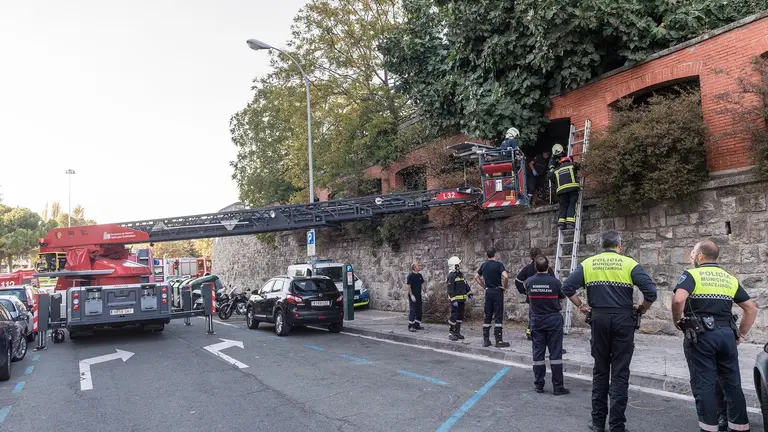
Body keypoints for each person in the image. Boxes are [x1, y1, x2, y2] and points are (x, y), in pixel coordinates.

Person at [562, 230, 657, 432]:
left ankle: (597, 423)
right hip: (623, 320)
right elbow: (651, 292)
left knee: (600, 370)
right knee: (620, 373)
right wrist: (641, 309)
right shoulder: (629, 264)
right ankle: (617, 426)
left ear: (602, 245)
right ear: (619, 245)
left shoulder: (589, 264)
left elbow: (567, 287)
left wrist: (582, 306)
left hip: (599, 319)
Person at [672, 240, 756, 432]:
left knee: (704, 383)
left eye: (693, 252)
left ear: (701, 256)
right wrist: (741, 333)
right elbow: (751, 308)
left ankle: (710, 428)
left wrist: (677, 321)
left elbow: (678, 300)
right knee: (732, 383)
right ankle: (740, 427)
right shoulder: (729, 278)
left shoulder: (692, 275)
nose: (691, 256)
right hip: (727, 336)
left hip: (701, 336)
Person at [527, 255, 569, 395]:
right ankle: (558, 387)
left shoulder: (529, 282)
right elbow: (562, 295)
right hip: (553, 321)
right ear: (548, 266)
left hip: (537, 321)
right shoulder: (555, 282)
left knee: (538, 354)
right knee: (555, 354)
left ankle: (539, 385)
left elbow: (528, 297)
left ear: (535, 267)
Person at [515, 247, 555, 341]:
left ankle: (531, 331)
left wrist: (525, 291)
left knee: (533, 314)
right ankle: (541, 331)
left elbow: (518, 281)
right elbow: (553, 281)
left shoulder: (527, 268)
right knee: (545, 314)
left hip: (533, 296)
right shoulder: (546, 268)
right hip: (546, 295)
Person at [474, 247, 511, 348]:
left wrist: (484, 286)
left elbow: (476, 277)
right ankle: (498, 340)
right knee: (498, 315)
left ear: (487, 255)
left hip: (488, 291)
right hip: (497, 291)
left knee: (488, 315)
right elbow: (506, 276)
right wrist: (504, 286)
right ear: (496, 255)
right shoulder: (499, 264)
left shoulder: (484, 265)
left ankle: (486, 340)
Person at [549, 154, 581, 231]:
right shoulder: (572, 165)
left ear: (561, 163)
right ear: (568, 161)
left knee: (563, 206)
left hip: (561, 191)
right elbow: (579, 166)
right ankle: (570, 223)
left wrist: (551, 167)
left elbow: (550, 176)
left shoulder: (557, 170)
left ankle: (561, 224)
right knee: (572, 203)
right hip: (572, 188)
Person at [447, 256, 472, 341]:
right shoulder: (451, 276)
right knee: (454, 316)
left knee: (460, 316)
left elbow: (465, 284)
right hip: (456, 301)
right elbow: (450, 289)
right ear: (454, 265)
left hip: (462, 300)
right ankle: (451, 333)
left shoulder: (460, 274)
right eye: (458, 264)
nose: (459, 265)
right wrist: (453, 300)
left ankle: (457, 332)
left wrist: (469, 293)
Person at [407, 263, 424, 332]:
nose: (419, 266)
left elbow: (422, 285)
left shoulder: (420, 275)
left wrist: (425, 292)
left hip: (419, 295)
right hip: (413, 296)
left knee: (419, 310)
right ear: (414, 267)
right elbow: (409, 287)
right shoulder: (410, 276)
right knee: (413, 311)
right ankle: (411, 326)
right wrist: (411, 295)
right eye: (418, 266)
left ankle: (417, 325)